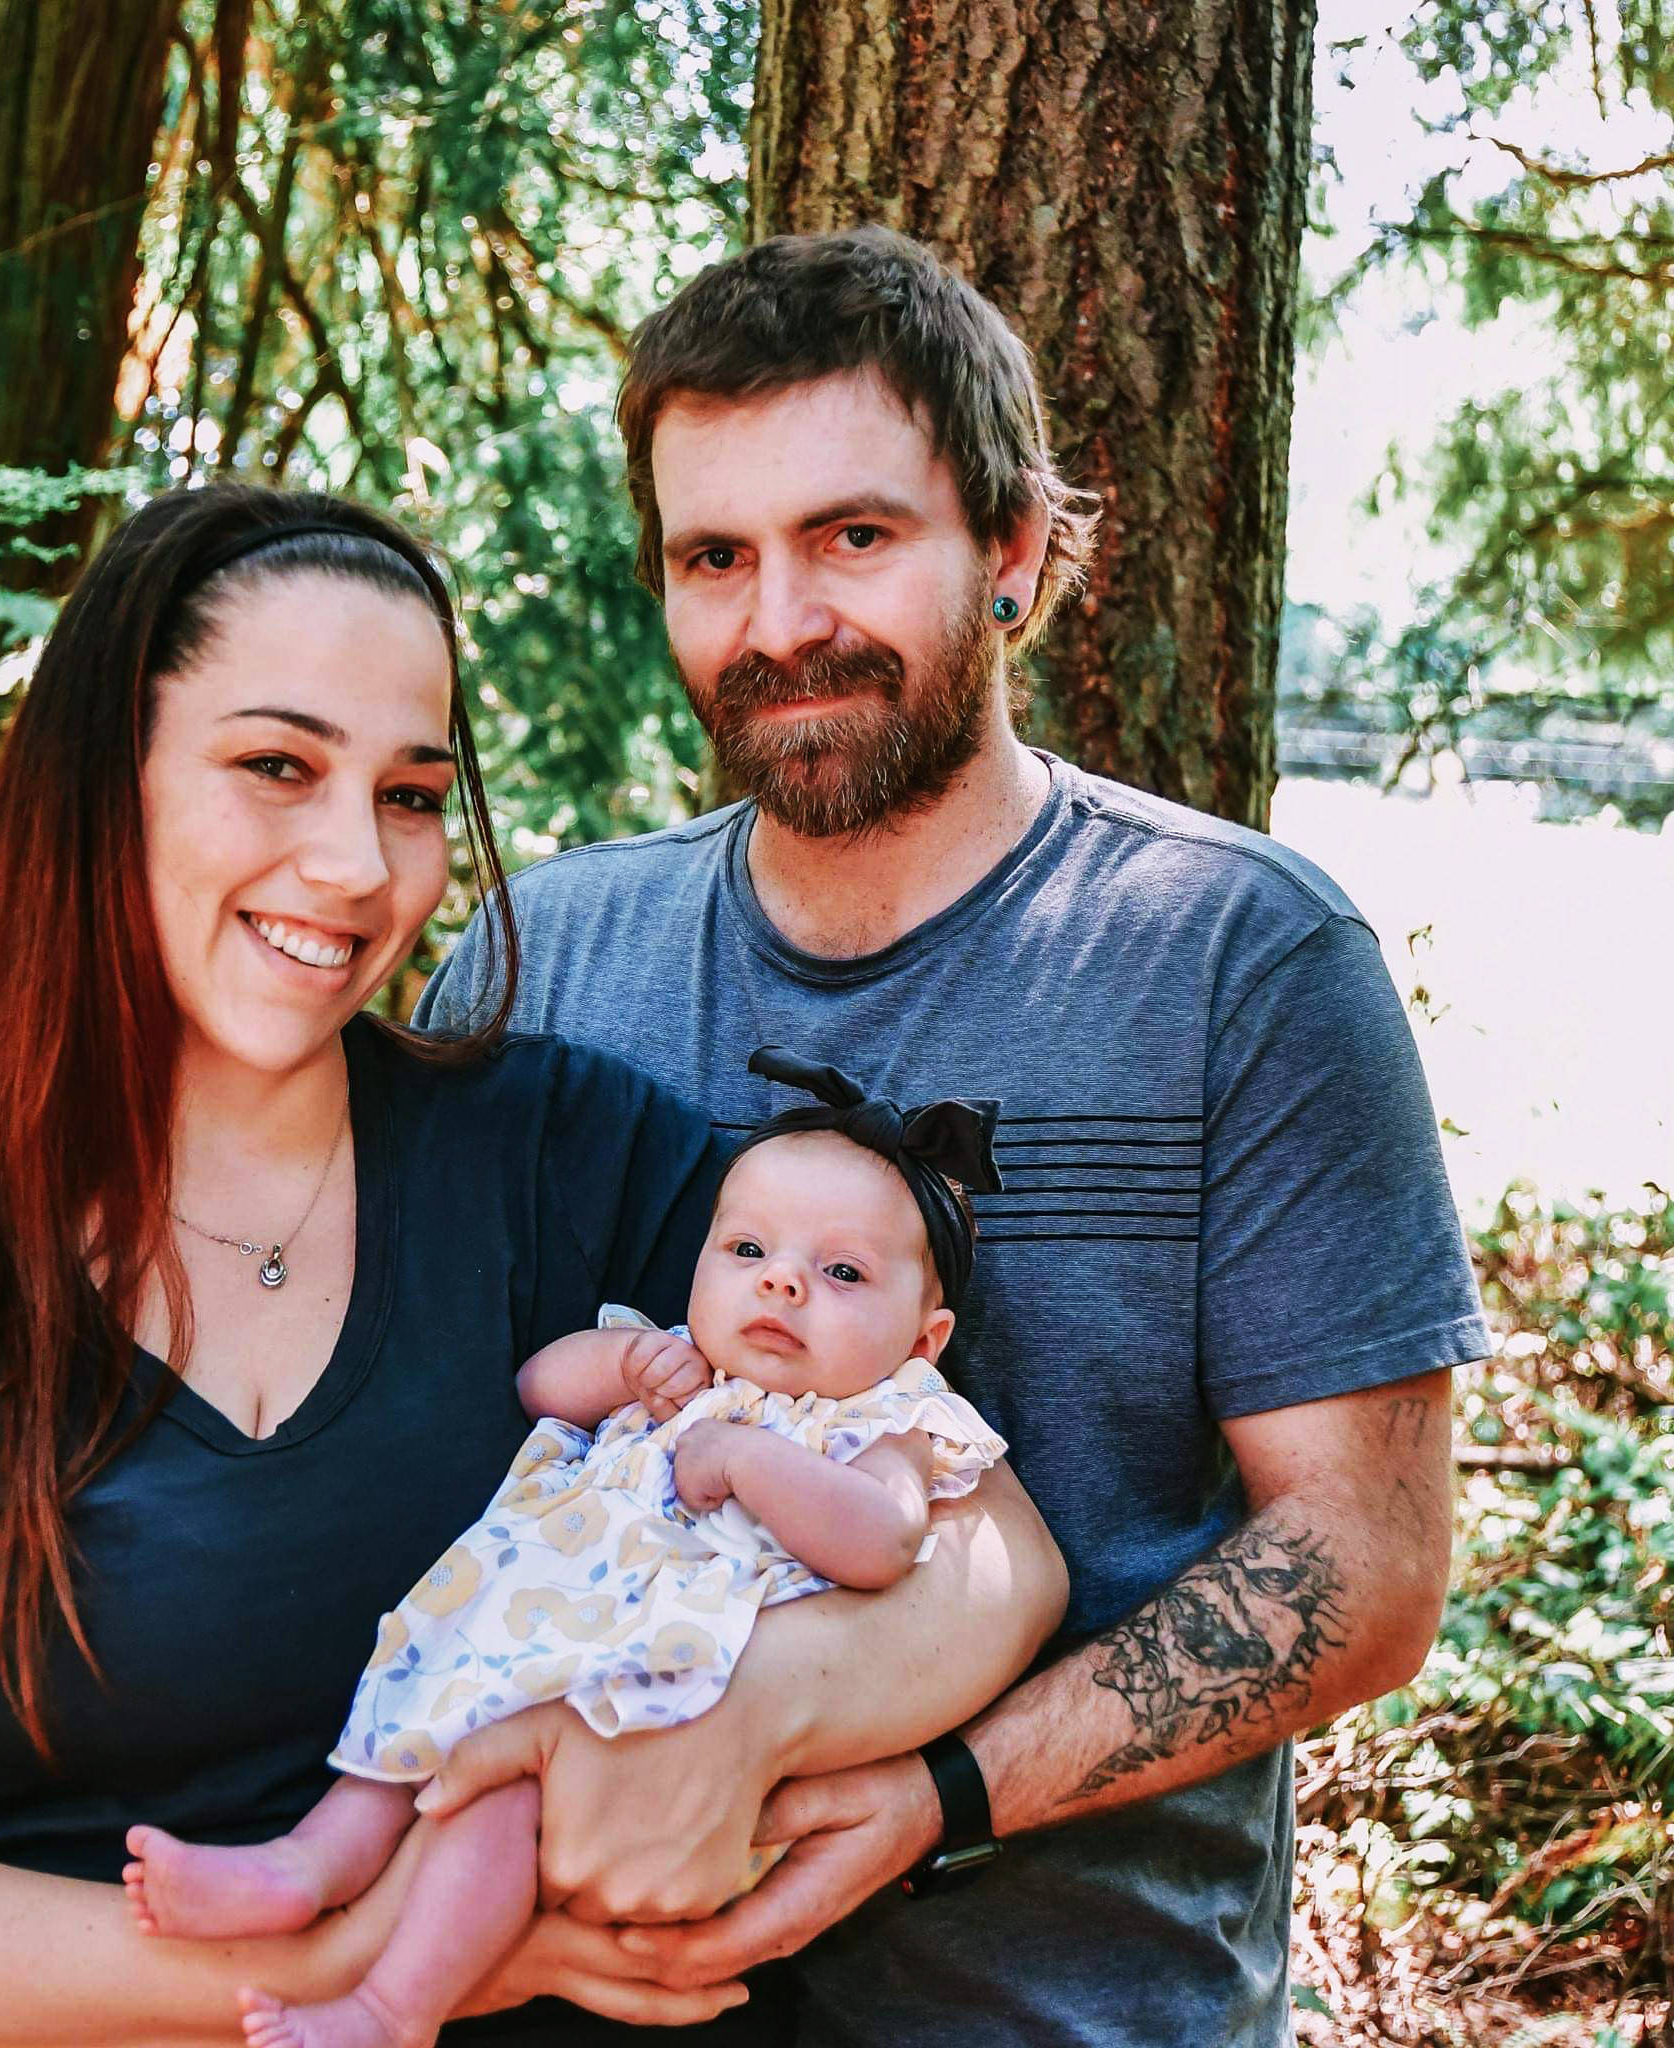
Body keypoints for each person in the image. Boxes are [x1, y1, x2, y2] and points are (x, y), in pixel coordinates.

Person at [0, 484, 1068, 2048]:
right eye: (275, 767)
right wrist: (357, 1966)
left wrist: (750, 1718)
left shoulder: (558, 1154)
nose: (354, 866)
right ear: (101, 781)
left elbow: (995, 1556)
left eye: (407, 794)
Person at [415, 226, 1490, 2045]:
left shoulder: (1238, 960)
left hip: (1058, 2005)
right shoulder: (536, 966)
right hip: (545, 1989)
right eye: (711, 557)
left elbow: (1368, 1561)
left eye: (851, 536)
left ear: (1004, 550)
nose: (776, 623)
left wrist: (936, 1796)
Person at [121, 1050, 1025, 2048]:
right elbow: (540, 1388)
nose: (780, 1280)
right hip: (532, 1632)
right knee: (417, 1710)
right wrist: (622, 1361)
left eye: (840, 1270)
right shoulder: (677, 1359)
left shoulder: (888, 1418)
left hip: (642, 1703)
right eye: (745, 1248)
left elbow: (885, 1539)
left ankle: (391, 2008)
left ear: (923, 1337)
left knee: (490, 1800)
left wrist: (746, 1457)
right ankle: (298, 1866)